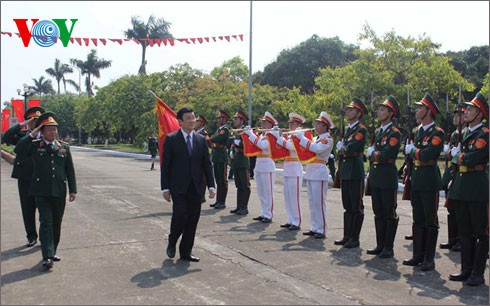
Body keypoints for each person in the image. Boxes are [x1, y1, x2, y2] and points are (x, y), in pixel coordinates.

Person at [14, 112, 77, 270]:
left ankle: (52, 250)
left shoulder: (64, 147)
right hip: (41, 191)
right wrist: (33, 132)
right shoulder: (35, 145)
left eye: (55, 130)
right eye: (49, 130)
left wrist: (73, 190)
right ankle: (47, 256)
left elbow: (70, 170)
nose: (53, 132)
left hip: (59, 191)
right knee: (46, 223)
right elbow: (19, 149)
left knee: (56, 223)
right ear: (42, 131)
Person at [161, 107, 216, 262]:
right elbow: (166, 166)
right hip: (178, 187)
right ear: (180, 121)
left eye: (193, 118)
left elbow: (207, 164)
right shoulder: (171, 139)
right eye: (188, 118)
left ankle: (186, 252)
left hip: (196, 188)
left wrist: (212, 186)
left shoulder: (200, 140)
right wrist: (165, 188)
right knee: (180, 215)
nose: (192, 121)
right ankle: (172, 241)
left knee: (193, 219)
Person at [447, 92, 488, 286]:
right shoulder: (465, 134)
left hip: (476, 187)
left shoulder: (484, 134)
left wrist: (458, 156)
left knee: (480, 231)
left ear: (480, 114)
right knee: (464, 231)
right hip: (462, 186)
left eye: (470, 109)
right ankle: (466, 269)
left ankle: (477, 273)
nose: (466, 112)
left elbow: (474, 158)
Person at [402, 93, 444, 271]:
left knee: (430, 219)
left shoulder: (437, 132)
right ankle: (417, 255)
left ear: (428, 111)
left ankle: (429, 258)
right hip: (417, 179)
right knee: (417, 218)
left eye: (420, 108)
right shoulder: (417, 131)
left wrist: (413, 152)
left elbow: (428, 154)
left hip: (429, 179)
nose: (417, 110)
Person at [2, 106, 45, 248]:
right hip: (25, 178)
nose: (34, 123)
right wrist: (23, 124)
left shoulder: (46, 137)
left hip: (42, 178)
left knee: (44, 209)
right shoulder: (22, 137)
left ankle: (45, 236)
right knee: (27, 208)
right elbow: (6, 137)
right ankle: (31, 236)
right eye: (32, 120)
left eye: (37, 120)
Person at [365, 96, 402, 258]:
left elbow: (387, 153)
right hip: (376, 176)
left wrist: (373, 154)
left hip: (387, 177)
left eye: (383, 110)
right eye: (379, 109)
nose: (379, 112)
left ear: (390, 113)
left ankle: (389, 246)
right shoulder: (379, 132)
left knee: (389, 212)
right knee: (378, 211)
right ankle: (380, 244)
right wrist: (374, 155)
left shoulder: (394, 133)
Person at [334, 98, 368, 248]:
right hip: (346, 170)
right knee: (347, 205)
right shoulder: (348, 129)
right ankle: (347, 235)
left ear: (359, 113)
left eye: (352, 110)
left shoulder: (361, 129)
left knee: (356, 205)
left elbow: (351, 147)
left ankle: (355, 237)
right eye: (347, 110)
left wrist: (342, 147)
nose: (348, 112)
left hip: (355, 169)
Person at [296, 111, 334, 239]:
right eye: (316, 124)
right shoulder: (316, 138)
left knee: (319, 202)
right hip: (312, 170)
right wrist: (298, 137)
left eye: (318, 124)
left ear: (325, 126)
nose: (316, 126)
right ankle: (314, 227)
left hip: (319, 171)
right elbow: (308, 147)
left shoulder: (327, 139)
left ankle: (321, 229)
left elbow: (316, 149)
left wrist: (302, 138)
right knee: (312, 202)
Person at [270, 113, 305, 231]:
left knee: (294, 197)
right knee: (288, 196)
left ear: (299, 124)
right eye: (289, 123)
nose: (290, 125)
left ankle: (296, 221)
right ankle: (290, 219)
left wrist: (279, 138)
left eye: (293, 123)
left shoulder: (300, 135)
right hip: (288, 166)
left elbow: (291, 147)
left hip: (295, 166)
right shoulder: (290, 136)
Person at [439, 103, 467, 252]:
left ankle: (462, 240)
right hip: (451, 172)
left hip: (461, 174)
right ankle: (453, 238)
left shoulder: (466, 134)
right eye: (455, 115)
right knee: (451, 209)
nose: (456, 118)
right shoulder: (454, 135)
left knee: (460, 210)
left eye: (460, 115)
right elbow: (449, 156)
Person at [242, 111, 278, 223]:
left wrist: (251, 134)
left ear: (270, 124)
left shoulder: (271, 135)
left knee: (268, 191)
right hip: (260, 163)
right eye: (262, 122)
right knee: (261, 191)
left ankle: (269, 214)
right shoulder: (263, 135)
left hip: (267, 163)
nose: (262, 124)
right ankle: (263, 212)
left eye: (265, 122)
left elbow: (262, 145)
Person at [229, 110, 251, 215]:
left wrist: (237, 142)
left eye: (236, 119)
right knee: (239, 185)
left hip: (243, 159)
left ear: (242, 121)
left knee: (245, 184)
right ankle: (239, 206)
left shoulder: (245, 130)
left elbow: (246, 143)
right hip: (237, 160)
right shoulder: (237, 130)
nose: (235, 121)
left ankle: (244, 207)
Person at [209, 110, 231, 209]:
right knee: (218, 180)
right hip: (217, 156)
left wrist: (208, 139)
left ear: (224, 119)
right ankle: (218, 200)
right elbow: (213, 138)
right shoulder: (219, 129)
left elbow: (216, 139)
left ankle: (222, 201)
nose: (218, 120)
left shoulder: (225, 130)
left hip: (222, 156)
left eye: (219, 118)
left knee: (223, 180)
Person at [195, 115, 210, 203]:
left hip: (201, 157)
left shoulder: (203, 133)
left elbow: (208, 144)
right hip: (196, 157)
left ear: (201, 123)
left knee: (202, 178)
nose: (195, 123)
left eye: (197, 121)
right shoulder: (196, 132)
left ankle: (202, 196)